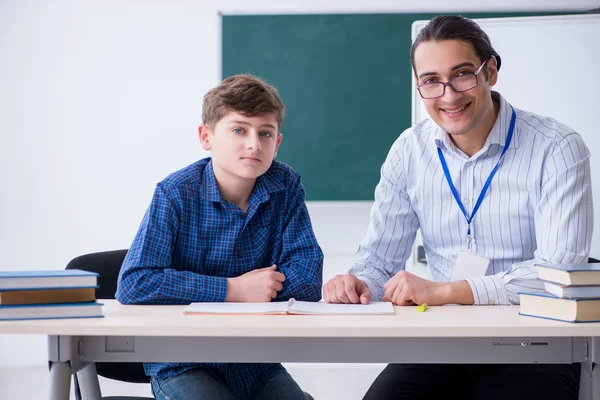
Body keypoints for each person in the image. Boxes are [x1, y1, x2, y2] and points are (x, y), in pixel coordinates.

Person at [323, 15, 591, 400]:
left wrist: (450, 290)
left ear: (491, 71)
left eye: (463, 74)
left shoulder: (558, 148)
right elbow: (379, 260)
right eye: (431, 81)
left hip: (534, 345)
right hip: (440, 341)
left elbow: (557, 273)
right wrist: (359, 282)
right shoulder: (409, 150)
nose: (448, 95)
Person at [116, 74, 323, 400]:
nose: (254, 144)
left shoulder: (285, 186)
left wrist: (252, 290)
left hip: (254, 362)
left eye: (265, 133)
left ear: (277, 143)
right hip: (183, 362)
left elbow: (308, 278)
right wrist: (234, 289)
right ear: (206, 136)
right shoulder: (176, 193)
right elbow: (135, 282)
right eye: (239, 130)